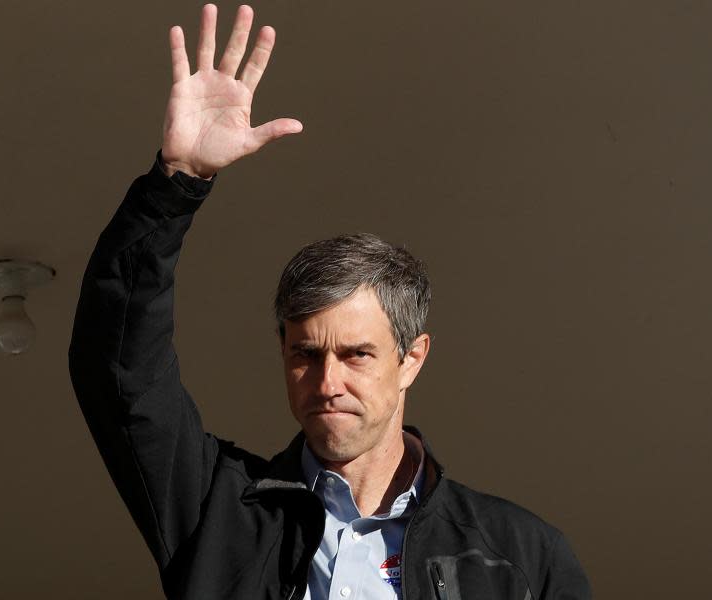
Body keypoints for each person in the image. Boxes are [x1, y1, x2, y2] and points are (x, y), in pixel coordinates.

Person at [68, 4, 592, 599]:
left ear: (412, 359)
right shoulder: (220, 513)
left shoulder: (521, 555)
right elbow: (120, 374)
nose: (327, 381)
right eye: (306, 354)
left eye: (357, 354)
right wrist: (178, 181)